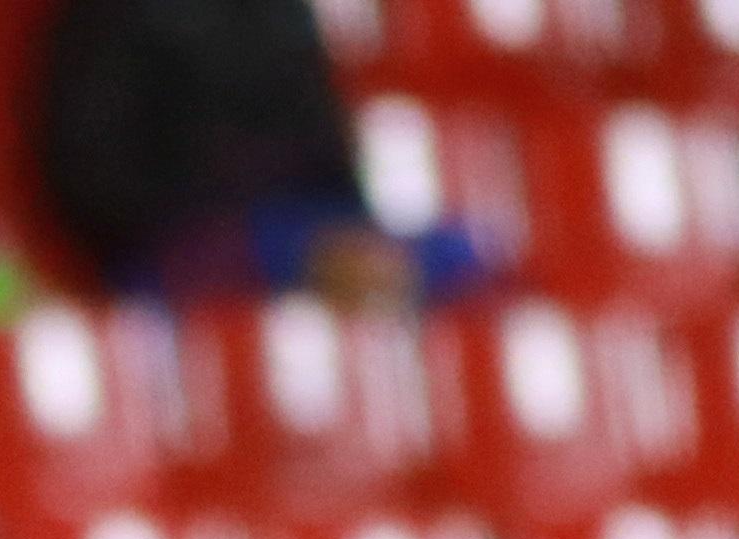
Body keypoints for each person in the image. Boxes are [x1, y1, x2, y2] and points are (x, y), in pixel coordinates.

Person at [36, 0, 479, 309]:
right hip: (185, 235)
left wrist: (355, 233)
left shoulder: (282, 13)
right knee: (341, 265)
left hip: (303, 221)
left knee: (463, 255)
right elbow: (95, 172)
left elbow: (326, 148)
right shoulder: (112, 18)